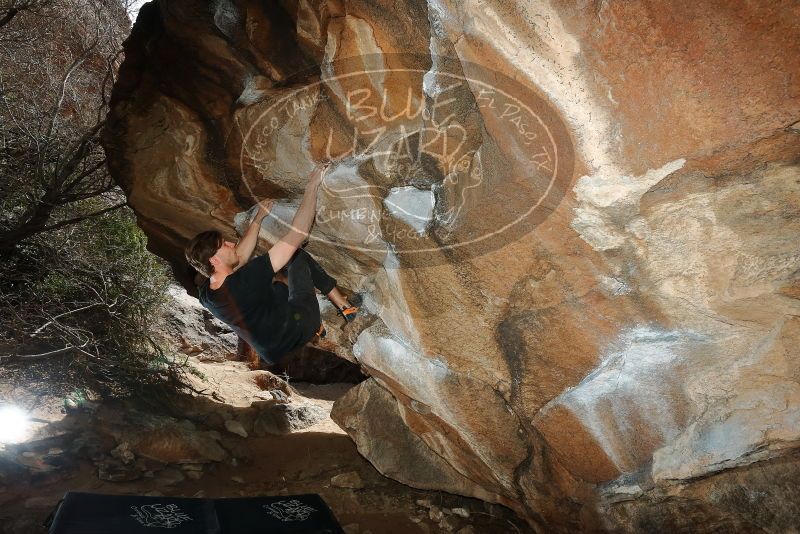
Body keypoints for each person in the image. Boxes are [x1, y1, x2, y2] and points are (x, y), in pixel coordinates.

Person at [184, 161, 358, 365]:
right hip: (299, 329)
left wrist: (257, 221)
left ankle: (316, 320)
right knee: (297, 256)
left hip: (273, 352)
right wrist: (312, 186)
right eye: (224, 245)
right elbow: (296, 235)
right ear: (214, 259)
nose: (232, 244)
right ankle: (342, 305)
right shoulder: (246, 281)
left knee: (277, 287)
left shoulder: (208, 293)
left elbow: (239, 256)